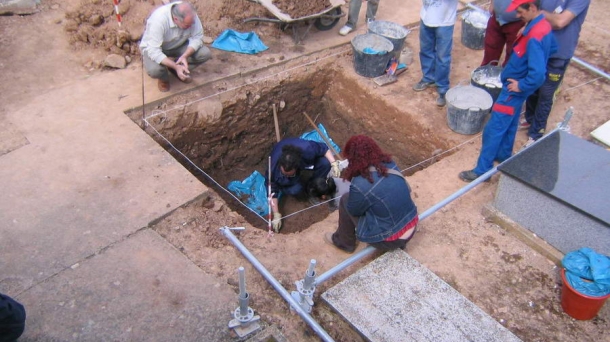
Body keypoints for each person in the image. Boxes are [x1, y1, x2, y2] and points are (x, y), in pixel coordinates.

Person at [459, 0, 557, 182]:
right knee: (510, 124)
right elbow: (552, 49)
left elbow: (538, 75)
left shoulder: (534, 36)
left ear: (533, 8)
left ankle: (482, 170)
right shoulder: (541, 26)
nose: (518, 16)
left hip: (513, 92)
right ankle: (504, 155)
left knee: (493, 128)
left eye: (521, 12)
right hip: (516, 92)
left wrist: (521, 85)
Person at [324, 135, 419, 253]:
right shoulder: (390, 163)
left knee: (345, 200)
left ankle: (344, 242)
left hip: (389, 240)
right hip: (412, 224)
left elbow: (354, 211)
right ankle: (398, 240)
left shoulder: (360, 184)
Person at [520, 0, 590, 147]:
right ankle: (530, 118)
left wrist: (537, 13)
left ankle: (536, 134)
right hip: (539, 47)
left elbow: (560, 22)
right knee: (533, 85)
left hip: (559, 53)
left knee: (546, 94)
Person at [266, 138, 341, 232]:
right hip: (284, 159)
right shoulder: (272, 169)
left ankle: (313, 186)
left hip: (300, 156)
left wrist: (334, 163)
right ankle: (301, 192)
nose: (286, 175)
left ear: (297, 166)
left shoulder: (307, 149)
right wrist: (276, 213)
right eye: (284, 174)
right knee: (296, 189)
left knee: (325, 163)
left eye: (290, 174)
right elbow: (272, 190)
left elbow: (324, 148)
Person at [139, 1, 212, 92]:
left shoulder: (191, 16)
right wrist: (175, 66)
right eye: (187, 25)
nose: (191, 27)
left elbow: (197, 37)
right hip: (156, 48)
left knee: (205, 53)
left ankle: (178, 68)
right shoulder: (158, 20)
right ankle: (164, 78)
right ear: (176, 19)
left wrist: (185, 56)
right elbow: (154, 51)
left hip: (178, 45)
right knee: (154, 70)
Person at [412, 0, 459, 107]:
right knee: (425, 50)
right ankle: (428, 78)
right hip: (426, 17)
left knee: (443, 57)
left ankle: (443, 89)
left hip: (445, 21)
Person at [481, 0, 525, 66]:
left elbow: (540, 5)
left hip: (517, 23)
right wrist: (492, 3)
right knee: (491, 48)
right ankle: (487, 71)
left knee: (512, 54)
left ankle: (506, 74)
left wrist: (527, 25)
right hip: (496, 17)